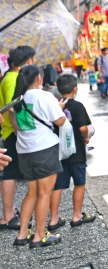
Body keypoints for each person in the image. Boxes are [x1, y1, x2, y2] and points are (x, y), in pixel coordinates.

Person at [12, 65, 67, 247]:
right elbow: (60, 120)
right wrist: (59, 108)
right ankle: (39, 235)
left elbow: (16, 128)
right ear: (38, 78)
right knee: (44, 193)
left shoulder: (17, 99)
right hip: (44, 150)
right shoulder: (44, 96)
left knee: (32, 192)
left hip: (24, 151)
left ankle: (22, 234)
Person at [48, 74, 96, 229]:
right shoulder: (78, 106)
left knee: (58, 186)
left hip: (59, 153)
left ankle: (54, 219)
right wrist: (86, 136)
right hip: (77, 153)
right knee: (79, 183)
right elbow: (83, 127)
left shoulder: (55, 105)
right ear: (75, 89)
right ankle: (76, 215)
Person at [0, 45, 36, 230]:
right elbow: (12, 108)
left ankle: (10, 211)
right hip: (11, 132)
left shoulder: (8, 77)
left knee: (11, 171)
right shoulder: (14, 79)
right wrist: (19, 131)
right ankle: (7, 216)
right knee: (10, 172)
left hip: (8, 130)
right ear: (28, 61)